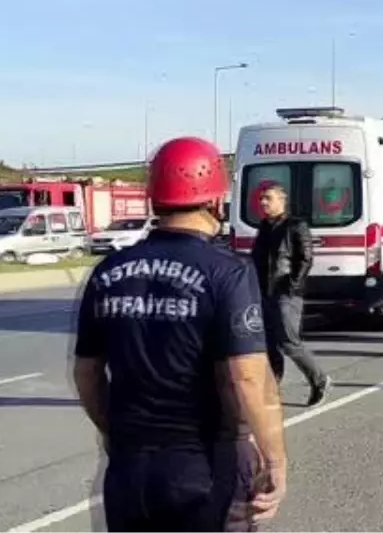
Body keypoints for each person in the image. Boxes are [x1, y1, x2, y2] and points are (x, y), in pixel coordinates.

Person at [72, 136, 287, 532]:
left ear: (155, 199)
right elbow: (249, 377)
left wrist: (113, 430)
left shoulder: (108, 272)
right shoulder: (228, 272)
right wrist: (275, 460)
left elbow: (86, 374)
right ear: (216, 201)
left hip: (128, 470)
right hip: (201, 467)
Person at [250, 183, 332, 406]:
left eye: (268, 198)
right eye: (261, 199)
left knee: (288, 341)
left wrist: (292, 285)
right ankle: (271, 389)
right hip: (263, 292)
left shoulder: (296, 226)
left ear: (281, 200)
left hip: (286, 293)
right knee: (268, 343)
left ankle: (320, 380)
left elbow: (305, 259)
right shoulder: (264, 228)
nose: (263, 203)